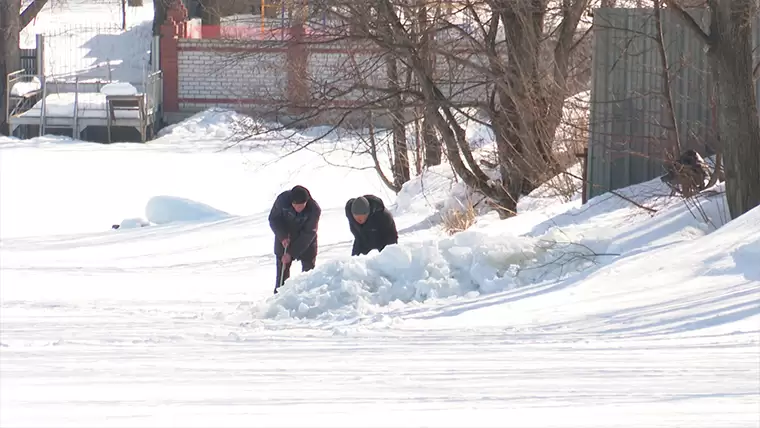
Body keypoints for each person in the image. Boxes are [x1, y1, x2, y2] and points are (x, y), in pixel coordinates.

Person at [268, 185, 321, 294]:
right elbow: (273, 219)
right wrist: (282, 236)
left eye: (301, 206)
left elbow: (309, 233)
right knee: (282, 269)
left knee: (308, 272)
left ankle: (307, 296)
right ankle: (280, 296)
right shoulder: (282, 201)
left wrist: (292, 253)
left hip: (305, 241)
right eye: (295, 205)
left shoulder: (314, 209)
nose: (298, 208)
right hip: (285, 236)